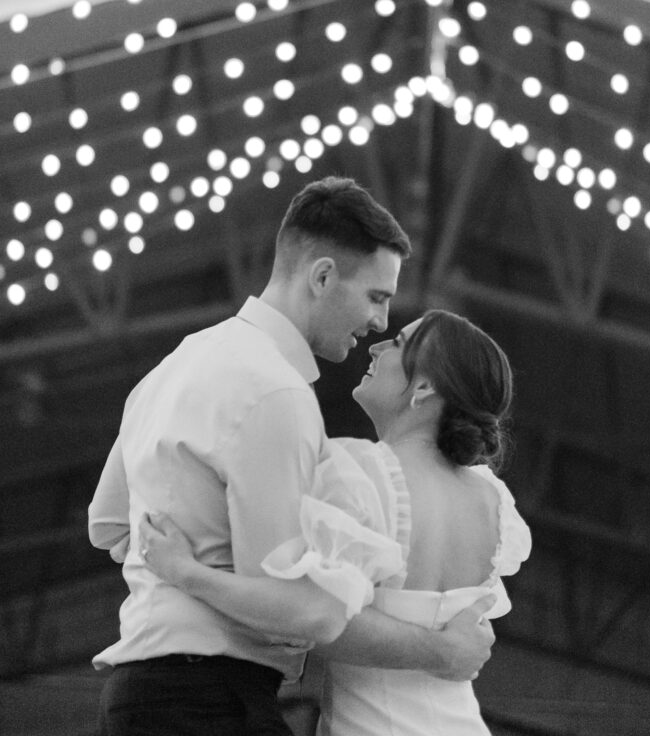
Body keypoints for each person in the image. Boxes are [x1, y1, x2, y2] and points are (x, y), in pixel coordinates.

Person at [88, 177, 496, 736]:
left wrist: (176, 576)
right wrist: (443, 652)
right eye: (376, 297)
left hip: (140, 693)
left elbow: (109, 525)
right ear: (323, 276)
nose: (380, 322)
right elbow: (309, 611)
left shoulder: (175, 363)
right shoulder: (277, 392)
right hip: (209, 699)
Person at [138, 309, 531, 735]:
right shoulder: (492, 500)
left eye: (397, 343)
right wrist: (445, 650)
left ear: (423, 388)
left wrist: (185, 572)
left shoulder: (361, 471)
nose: (376, 345)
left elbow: (316, 621)